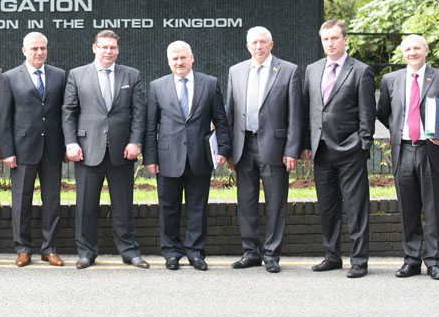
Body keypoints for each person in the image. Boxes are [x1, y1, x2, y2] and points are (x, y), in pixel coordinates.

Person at [376, 34, 439, 280]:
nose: (412, 53)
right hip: (404, 150)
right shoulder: (391, 80)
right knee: (407, 209)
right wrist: (399, 129)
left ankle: (434, 262)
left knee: (433, 208)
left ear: (426, 50)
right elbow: (383, 112)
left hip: (432, 150)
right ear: (402, 53)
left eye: (417, 48)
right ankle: (411, 260)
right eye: (408, 49)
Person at [62, 30, 149, 269]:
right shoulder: (77, 75)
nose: (108, 51)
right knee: (85, 206)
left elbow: (139, 112)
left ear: (118, 50)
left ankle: (129, 251)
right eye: (104, 47)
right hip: (87, 150)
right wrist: (71, 143)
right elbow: (69, 112)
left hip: (122, 151)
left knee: (123, 206)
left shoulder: (131, 75)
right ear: (95, 48)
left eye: (112, 47)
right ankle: (86, 252)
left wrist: (135, 141)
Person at [144, 40, 231, 271]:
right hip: (167, 158)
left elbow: (221, 120)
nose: (179, 62)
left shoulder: (210, 84)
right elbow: (150, 126)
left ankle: (195, 252)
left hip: (199, 157)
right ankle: (171, 252)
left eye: (183, 57)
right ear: (168, 61)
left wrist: (223, 149)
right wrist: (150, 158)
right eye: (174, 59)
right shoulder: (157, 86)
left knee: (197, 208)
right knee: (168, 208)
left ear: (192, 58)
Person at [301, 19, 375, 278]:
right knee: (327, 207)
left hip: (350, 151)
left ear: (345, 39)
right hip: (321, 151)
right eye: (325, 39)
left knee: (356, 208)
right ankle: (332, 256)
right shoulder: (312, 69)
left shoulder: (361, 71)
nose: (330, 43)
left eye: (334, 38)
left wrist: (363, 143)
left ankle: (359, 261)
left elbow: (367, 112)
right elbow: (307, 109)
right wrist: (305, 144)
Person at [225, 27, 302, 273]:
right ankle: (251, 252)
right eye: (254, 43)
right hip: (243, 145)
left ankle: (271, 254)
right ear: (247, 46)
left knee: (276, 202)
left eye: (263, 42)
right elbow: (231, 113)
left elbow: (295, 115)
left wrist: (292, 150)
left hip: (275, 147)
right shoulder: (236, 71)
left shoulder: (288, 70)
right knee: (246, 202)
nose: (258, 46)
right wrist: (228, 149)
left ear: (271, 44)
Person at [0, 32, 67, 267]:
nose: (39, 52)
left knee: (52, 201)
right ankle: (23, 249)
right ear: (24, 51)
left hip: (52, 149)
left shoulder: (59, 75)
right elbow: (4, 118)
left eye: (43, 48)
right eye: (34, 48)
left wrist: (66, 145)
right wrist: (7, 151)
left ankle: (50, 249)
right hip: (22, 149)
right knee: (21, 202)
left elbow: (65, 113)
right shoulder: (9, 78)